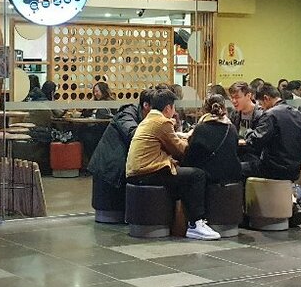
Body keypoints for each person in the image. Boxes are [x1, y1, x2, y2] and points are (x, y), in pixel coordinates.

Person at [126, 89, 220, 240]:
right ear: (168, 108)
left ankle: (183, 223)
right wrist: (191, 138)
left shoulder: (149, 119)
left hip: (138, 172)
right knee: (197, 175)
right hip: (148, 172)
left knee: (183, 175)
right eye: (174, 107)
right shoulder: (162, 122)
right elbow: (180, 150)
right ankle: (196, 224)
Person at [243, 83, 301, 226]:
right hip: (293, 170)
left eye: (261, 104)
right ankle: (290, 206)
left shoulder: (271, 115)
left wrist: (248, 132)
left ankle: (245, 214)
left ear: (266, 98)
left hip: (271, 168)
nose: (261, 107)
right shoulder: (298, 115)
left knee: (238, 169)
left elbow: (255, 142)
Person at [89, 89, 153, 189]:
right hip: (109, 172)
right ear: (146, 105)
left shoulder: (140, 114)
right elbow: (133, 134)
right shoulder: (126, 113)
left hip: (120, 170)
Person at [183, 94, 242, 184]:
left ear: (204, 110)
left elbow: (190, 157)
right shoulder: (232, 128)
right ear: (224, 109)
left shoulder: (201, 128)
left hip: (209, 177)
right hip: (232, 176)